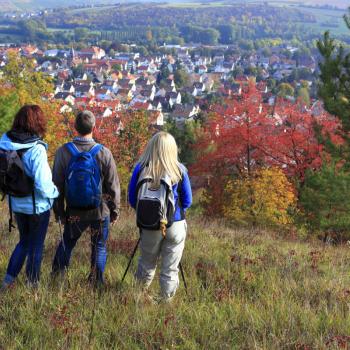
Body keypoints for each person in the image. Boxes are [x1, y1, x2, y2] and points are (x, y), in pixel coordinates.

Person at [51, 110, 120, 286]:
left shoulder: (63, 152)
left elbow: (56, 185)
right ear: (94, 127)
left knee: (67, 242)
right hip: (99, 210)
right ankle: (96, 282)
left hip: (74, 209)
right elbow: (113, 185)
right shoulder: (104, 152)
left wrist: (59, 211)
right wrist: (114, 210)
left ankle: (57, 279)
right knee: (99, 246)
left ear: (75, 127)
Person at [128, 132, 192, 302]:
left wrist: (148, 215)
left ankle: (139, 298)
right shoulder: (180, 170)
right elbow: (187, 201)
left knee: (147, 263)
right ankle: (166, 301)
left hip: (149, 225)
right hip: (175, 224)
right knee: (170, 268)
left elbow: (132, 199)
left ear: (151, 146)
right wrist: (172, 214)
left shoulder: (141, 168)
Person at [0, 105, 59, 289]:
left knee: (24, 241)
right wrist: (55, 194)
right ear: (39, 123)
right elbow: (43, 184)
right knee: (36, 246)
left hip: (16, 204)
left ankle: (8, 281)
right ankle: (32, 285)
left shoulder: (4, 143)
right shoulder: (36, 149)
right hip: (37, 207)